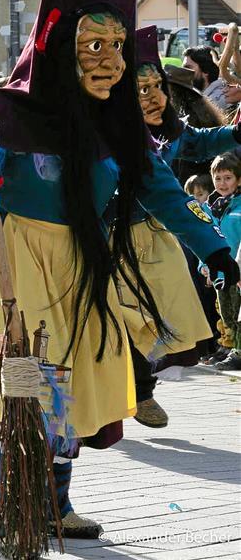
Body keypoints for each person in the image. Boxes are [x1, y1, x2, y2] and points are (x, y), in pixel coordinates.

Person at [0, 0, 239, 539]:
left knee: (75, 379)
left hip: (81, 259)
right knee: (30, 379)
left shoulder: (115, 121)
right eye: (93, 44)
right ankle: (18, 498)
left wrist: (216, 253)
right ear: (57, 49)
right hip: (14, 258)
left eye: (118, 45)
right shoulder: (10, 108)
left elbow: (163, 192)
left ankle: (54, 500)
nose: (112, 61)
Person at [125, 25, 234, 426]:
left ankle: (141, 390)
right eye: (140, 89)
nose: (154, 97)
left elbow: (200, 142)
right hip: (103, 241)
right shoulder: (107, 137)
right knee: (119, 319)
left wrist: (235, 133)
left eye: (158, 86)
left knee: (162, 316)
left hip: (154, 236)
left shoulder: (168, 131)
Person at [207, 153, 241, 371]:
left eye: (228, 178)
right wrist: (204, 266)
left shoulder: (238, 207)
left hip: (237, 268)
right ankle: (228, 346)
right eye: (218, 178)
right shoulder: (212, 207)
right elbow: (206, 239)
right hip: (219, 270)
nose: (222, 183)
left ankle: (238, 351)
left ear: (238, 180)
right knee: (224, 310)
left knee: (238, 310)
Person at [183, 45, 228, 111]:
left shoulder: (219, 99)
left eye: (188, 67)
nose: (183, 72)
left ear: (206, 70)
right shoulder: (199, 97)